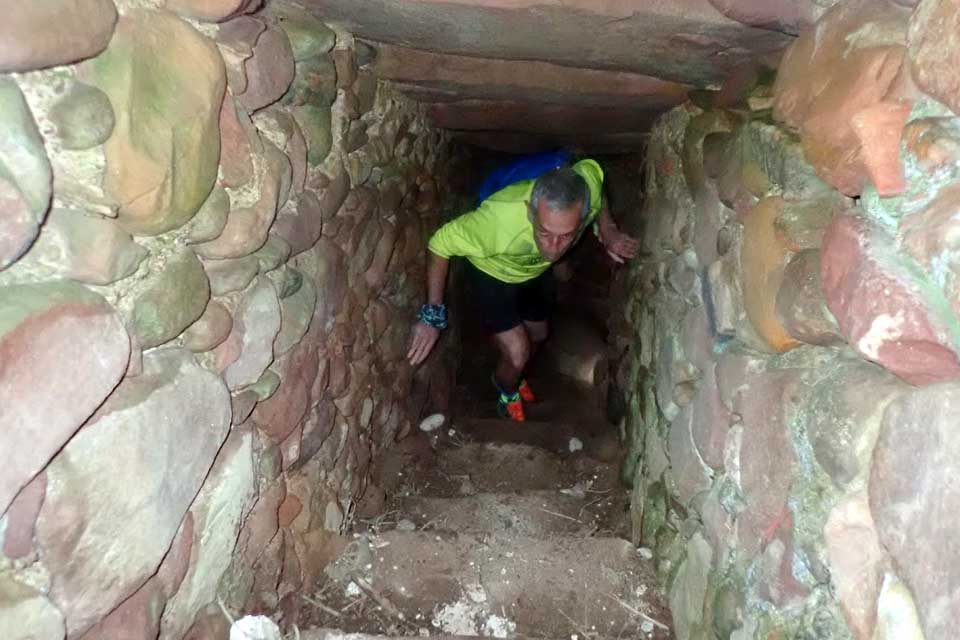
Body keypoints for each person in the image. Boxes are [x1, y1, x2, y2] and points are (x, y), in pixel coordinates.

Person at [406, 158, 638, 421]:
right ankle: (506, 389)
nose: (553, 247)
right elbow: (440, 244)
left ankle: (516, 372)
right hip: (492, 274)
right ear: (530, 212)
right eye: (544, 232)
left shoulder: (587, 187)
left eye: (566, 236)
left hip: (535, 271)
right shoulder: (496, 222)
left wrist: (608, 229)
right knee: (518, 352)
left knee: (539, 335)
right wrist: (432, 316)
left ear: (583, 214)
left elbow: (596, 178)